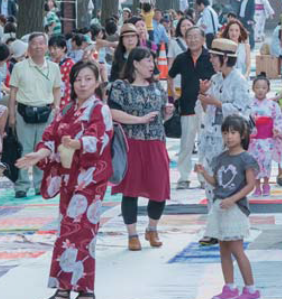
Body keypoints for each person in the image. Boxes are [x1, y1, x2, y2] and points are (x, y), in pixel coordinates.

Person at [15, 61, 113, 299]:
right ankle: (83, 292)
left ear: (97, 82)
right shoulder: (67, 110)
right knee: (72, 234)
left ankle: (64, 292)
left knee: (76, 235)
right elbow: (50, 135)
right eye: (78, 79)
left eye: (88, 79)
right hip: (70, 180)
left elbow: (99, 139)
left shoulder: (99, 109)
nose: (82, 84)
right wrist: (40, 153)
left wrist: (78, 144)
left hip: (89, 181)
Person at [106, 48, 173, 250]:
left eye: (152, 61)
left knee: (159, 188)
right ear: (135, 63)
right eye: (147, 61)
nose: (151, 65)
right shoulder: (120, 87)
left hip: (155, 141)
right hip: (131, 143)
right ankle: (132, 234)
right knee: (130, 189)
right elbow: (112, 112)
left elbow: (161, 116)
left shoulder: (156, 86)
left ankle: (152, 228)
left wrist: (167, 112)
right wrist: (138, 120)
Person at [196, 114, 262, 299]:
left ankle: (251, 289)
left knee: (237, 249)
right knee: (223, 250)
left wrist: (233, 199)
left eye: (233, 132)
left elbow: (251, 185)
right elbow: (216, 183)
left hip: (235, 209)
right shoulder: (220, 158)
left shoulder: (246, 159)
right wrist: (204, 174)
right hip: (220, 207)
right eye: (225, 133)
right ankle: (229, 287)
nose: (229, 137)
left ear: (242, 135)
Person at [195, 38, 253, 240]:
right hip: (212, 136)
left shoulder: (239, 81)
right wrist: (203, 95)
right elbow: (206, 108)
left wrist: (217, 103)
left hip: (230, 140)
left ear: (225, 58)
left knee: (230, 182)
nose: (211, 59)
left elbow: (243, 111)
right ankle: (213, 228)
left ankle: (232, 226)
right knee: (210, 182)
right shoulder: (215, 79)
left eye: (214, 56)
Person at [167, 27, 214, 188]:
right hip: (187, 105)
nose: (193, 40)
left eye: (196, 37)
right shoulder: (181, 58)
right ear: (186, 40)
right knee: (186, 143)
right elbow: (170, 75)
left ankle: (203, 177)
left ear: (203, 40)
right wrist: (174, 93)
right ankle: (184, 176)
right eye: (190, 37)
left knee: (204, 143)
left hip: (206, 106)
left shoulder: (210, 58)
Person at [248, 75, 282, 196]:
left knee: (267, 162)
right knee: (255, 163)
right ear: (253, 88)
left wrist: (276, 129)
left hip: (268, 138)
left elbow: (278, 119)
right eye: (257, 87)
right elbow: (244, 119)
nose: (260, 90)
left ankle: (266, 183)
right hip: (254, 139)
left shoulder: (272, 105)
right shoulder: (249, 105)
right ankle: (257, 186)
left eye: (263, 87)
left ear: (268, 89)